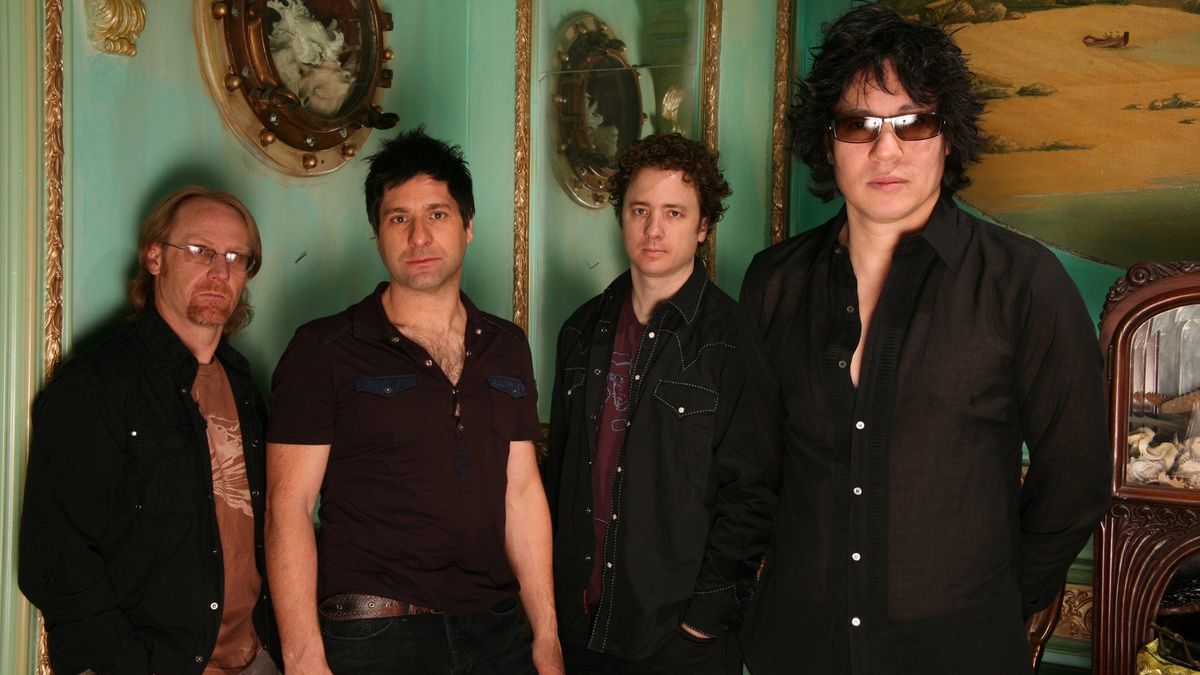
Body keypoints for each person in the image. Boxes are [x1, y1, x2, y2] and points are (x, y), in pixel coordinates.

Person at [738, 5, 1110, 674]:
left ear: (948, 136)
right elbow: (751, 472)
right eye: (860, 124)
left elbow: (1077, 478)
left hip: (959, 649)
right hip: (798, 644)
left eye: (913, 122)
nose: (887, 151)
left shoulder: (1023, 282)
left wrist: (995, 603)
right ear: (827, 140)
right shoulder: (774, 282)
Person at [265, 128, 563, 675]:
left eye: (437, 215)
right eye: (398, 218)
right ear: (377, 235)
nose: (419, 237)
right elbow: (289, 508)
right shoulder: (323, 350)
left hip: (495, 632)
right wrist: (304, 658)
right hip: (375, 633)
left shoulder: (506, 346)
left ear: (468, 226)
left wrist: (546, 635)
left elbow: (521, 492)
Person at [19, 187, 279, 674]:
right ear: (155, 256)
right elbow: (55, 558)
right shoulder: (99, 384)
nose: (220, 272)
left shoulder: (244, 384)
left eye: (235, 257)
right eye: (200, 251)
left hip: (253, 657)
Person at [545, 133, 778, 674]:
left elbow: (753, 492)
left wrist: (703, 621)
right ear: (621, 217)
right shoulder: (580, 330)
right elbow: (559, 477)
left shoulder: (733, 340)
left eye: (674, 213)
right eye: (640, 210)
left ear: (702, 226)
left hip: (679, 640)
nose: (654, 229)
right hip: (581, 624)